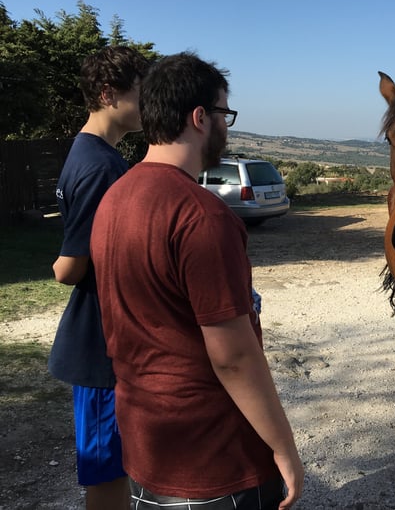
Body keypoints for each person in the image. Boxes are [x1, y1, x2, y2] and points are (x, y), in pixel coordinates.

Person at [90, 52, 304, 509]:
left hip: (147, 448)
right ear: (200, 117)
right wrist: (284, 446)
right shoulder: (202, 216)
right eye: (224, 113)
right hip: (215, 462)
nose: (227, 126)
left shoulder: (113, 199)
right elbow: (233, 357)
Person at [49, 45, 150, 509]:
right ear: (110, 95)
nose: (148, 106)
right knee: (107, 475)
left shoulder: (88, 151)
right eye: (140, 95)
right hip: (98, 348)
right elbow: (69, 269)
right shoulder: (101, 167)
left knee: (117, 468)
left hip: (106, 344)